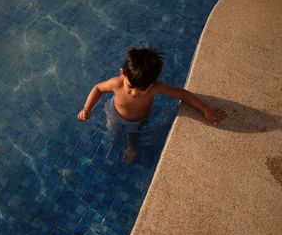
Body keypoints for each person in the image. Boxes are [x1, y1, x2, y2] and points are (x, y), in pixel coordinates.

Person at [77, 48, 227, 162]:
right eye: (130, 86)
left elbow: (182, 94)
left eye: (143, 89)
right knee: (112, 128)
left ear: (153, 82)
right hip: (114, 112)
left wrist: (205, 109)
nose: (135, 93)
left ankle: (131, 148)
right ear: (122, 74)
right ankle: (112, 138)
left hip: (137, 120)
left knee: (133, 136)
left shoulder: (155, 87)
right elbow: (98, 88)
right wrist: (87, 108)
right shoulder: (116, 83)